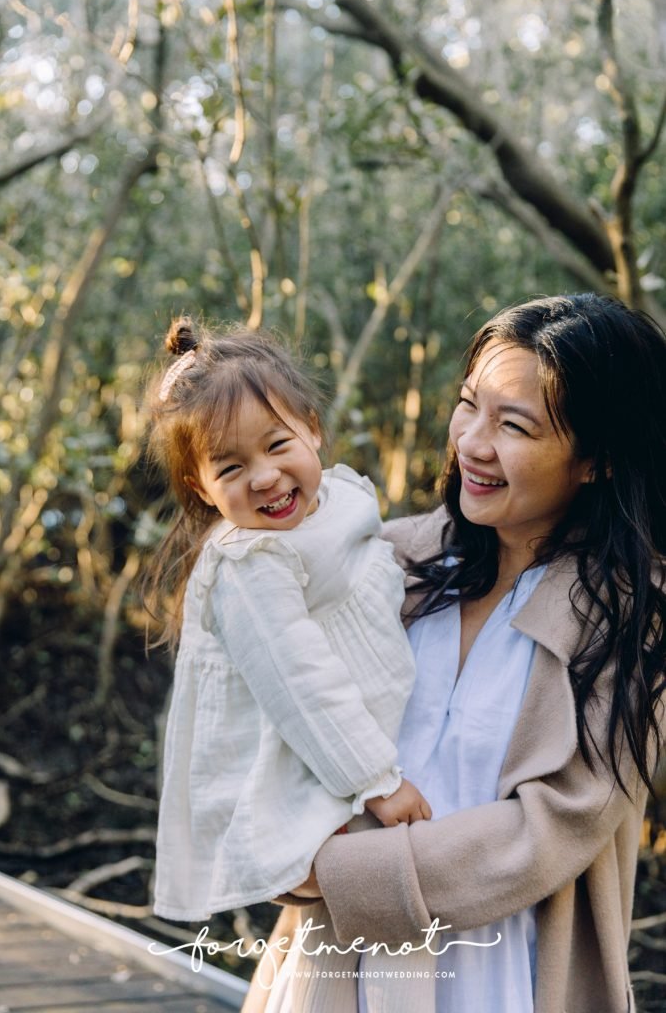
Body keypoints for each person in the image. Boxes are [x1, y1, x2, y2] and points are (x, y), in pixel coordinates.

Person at [244, 293, 666, 1013]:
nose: (472, 441)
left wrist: (335, 871)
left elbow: (550, 827)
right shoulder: (389, 562)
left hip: (509, 976)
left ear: (594, 460)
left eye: (514, 425)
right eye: (469, 405)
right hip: (336, 973)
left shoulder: (632, 620)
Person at [144, 317, 432, 922]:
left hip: (360, 742)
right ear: (200, 486)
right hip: (306, 755)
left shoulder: (340, 498)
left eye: (277, 445)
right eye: (230, 469)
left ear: (314, 430)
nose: (266, 476)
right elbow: (302, 690)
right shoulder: (250, 563)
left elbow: (373, 564)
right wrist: (378, 782)